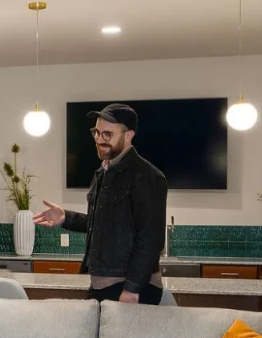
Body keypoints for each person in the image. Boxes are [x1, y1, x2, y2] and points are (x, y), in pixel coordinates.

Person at [34, 103, 168, 304]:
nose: (99, 139)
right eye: (96, 132)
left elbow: (151, 239)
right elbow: (105, 223)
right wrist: (66, 217)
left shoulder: (147, 176)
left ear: (128, 136)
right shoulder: (103, 172)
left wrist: (132, 288)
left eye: (107, 134)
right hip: (102, 284)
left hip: (130, 287)